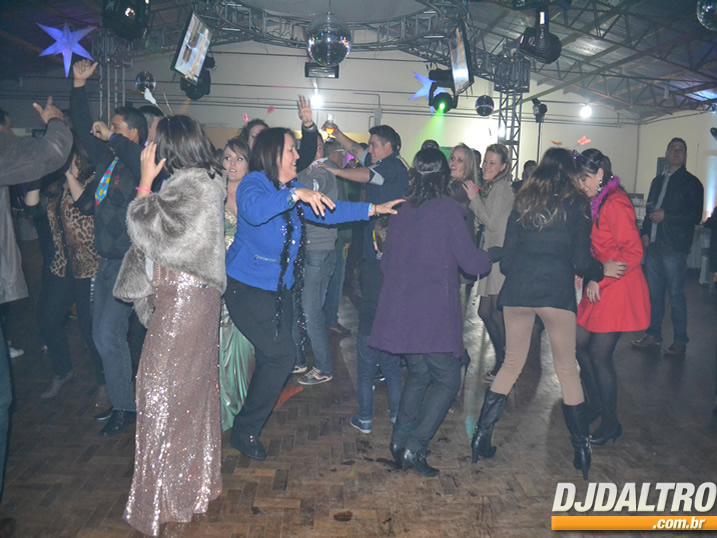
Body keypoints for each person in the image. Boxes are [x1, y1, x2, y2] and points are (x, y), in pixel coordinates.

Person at [223, 127, 403, 460]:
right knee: (281, 357)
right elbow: (255, 211)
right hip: (247, 289)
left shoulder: (289, 189)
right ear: (273, 155)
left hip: (278, 290)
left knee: (275, 357)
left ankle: (247, 423)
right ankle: (245, 429)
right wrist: (295, 195)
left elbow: (331, 210)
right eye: (291, 150)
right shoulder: (254, 185)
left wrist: (373, 210)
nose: (297, 156)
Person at [113, 115, 226, 536]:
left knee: (158, 393)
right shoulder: (199, 182)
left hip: (185, 303)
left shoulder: (196, 186)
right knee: (188, 397)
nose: (150, 148)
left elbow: (153, 233)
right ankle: (193, 488)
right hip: (191, 301)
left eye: (155, 142)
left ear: (171, 148)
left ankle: (161, 499)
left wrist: (144, 184)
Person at [471, 148, 610, 480]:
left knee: (511, 364)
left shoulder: (523, 201)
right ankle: (581, 451)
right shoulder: (577, 205)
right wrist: (599, 271)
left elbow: (508, 261)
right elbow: (581, 261)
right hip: (555, 293)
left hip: (518, 290)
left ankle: (480, 437)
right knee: (567, 370)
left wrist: (525, 268)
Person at [370, 148, 492, 476]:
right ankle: (415, 446)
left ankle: (399, 441)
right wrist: (490, 257)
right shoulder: (448, 210)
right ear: (442, 177)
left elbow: (387, 263)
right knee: (448, 380)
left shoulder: (402, 209)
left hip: (403, 310)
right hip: (433, 312)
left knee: (420, 374)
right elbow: (471, 262)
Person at [0, 95, 72, 538]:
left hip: (80, 270)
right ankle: (63, 371)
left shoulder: (83, 181)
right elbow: (33, 198)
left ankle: (92, 382)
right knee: (46, 323)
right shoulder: (46, 178)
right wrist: (55, 123)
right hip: (57, 267)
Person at [71, 59, 147, 437]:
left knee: (107, 334)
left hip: (128, 261)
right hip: (106, 262)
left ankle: (125, 406)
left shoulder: (139, 162)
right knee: (103, 336)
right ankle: (123, 402)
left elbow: (133, 156)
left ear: (132, 133)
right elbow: (83, 128)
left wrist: (113, 138)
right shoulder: (107, 159)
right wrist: (78, 87)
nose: (107, 131)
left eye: (116, 127)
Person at [317, 122, 410, 392]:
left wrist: (335, 170)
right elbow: (358, 151)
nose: (369, 149)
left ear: (388, 147)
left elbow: (366, 174)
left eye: (374, 144)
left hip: (388, 249)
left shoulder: (391, 166)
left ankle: (386, 361)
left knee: (380, 305)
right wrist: (337, 133)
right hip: (378, 245)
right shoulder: (383, 161)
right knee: (378, 304)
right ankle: (387, 359)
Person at [575, 149, 648, 445]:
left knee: (599, 355)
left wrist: (601, 277)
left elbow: (634, 252)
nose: (581, 184)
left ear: (600, 175)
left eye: (585, 178)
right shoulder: (599, 200)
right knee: (579, 343)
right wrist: (589, 271)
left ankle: (610, 422)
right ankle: (596, 402)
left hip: (617, 286)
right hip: (601, 282)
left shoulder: (616, 202)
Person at [24, 140, 105, 400]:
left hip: (90, 266)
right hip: (62, 265)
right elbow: (32, 207)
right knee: (47, 318)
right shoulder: (56, 185)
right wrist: (36, 174)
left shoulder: (95, 181)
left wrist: (70, 174)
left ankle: (104, 382)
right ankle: (63, 371)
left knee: (90, 329)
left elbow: (85, 206)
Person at [632, 138, 703, 358]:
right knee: (654, 295)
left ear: (686, 155)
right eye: (673, 149)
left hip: (674, 247)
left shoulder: (692, 184)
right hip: (654, 246)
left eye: (681, 150)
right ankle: (653, 335)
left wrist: (667, 216)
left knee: (675, 295)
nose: (677, 152)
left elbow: (694, 216)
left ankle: (680, 341)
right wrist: (645, 232)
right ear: (666, 152)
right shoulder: (657, 181)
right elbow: (650, 209)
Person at [293, 140, 349, 384]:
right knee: (302, 307)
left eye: (316, 147)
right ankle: (299, 360)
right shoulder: (306, 172)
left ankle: (324, 368)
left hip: (318, 249)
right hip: (308, 249)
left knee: (310, 310)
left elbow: (308, 194)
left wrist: (297, 176)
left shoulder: (322, 172)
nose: (314, 151)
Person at [349, 214, 403, 434]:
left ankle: (364, 419)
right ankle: (397, 415)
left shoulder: (366, 268)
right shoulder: (402, 272)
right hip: (392, 330)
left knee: (365, 374)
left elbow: (357, 292)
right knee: (393, 373)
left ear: (374, 243)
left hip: (368, 329)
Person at [465, 143, 514, 382]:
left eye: (492, 163)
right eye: (485, 161)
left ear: (503, 167)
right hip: (491, 254)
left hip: (498, 254)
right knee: (486, 311)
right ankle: (503, 359)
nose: (486, 166)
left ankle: (506, 362)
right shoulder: (494, 186)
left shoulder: (502, 188)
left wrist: (474, 199)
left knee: (492, 312)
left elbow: (492, 222)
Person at [219, 137, 255, 431]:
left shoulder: (254, 195)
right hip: (216, 279)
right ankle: (219, 410)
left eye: (239, 158)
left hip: (246, 280)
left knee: (244, 347)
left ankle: (241, 408)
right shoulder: (211, 193)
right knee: (217, 346)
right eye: (227, 158)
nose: (232, 164)